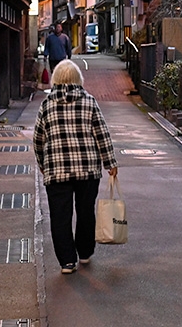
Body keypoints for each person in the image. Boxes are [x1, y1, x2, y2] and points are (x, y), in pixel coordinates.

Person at [33, 59, 118, 275]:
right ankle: (86, 252)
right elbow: (102, 133)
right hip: (87, 169)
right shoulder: (89, 101)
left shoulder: (47, 104)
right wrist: (110, 163)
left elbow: (38, 139)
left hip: (56, 170)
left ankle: (67, 261)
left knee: (60, 215)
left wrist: (43, 164)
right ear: (77, 79)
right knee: (85, 211)